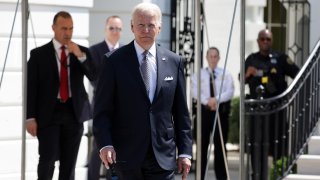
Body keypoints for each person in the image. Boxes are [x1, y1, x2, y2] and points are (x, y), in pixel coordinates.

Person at [93, 2, 192, 180]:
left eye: (151, 25)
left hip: (163, 156)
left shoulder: (174, 61)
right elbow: (102, 110)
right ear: (132, 27)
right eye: (141, 25)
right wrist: (105, 144)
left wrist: (185, 152)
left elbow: (181, 113)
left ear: (159, 28)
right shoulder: (113, 61)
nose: (146, 30)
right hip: (126, 156)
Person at [26, 11, 96, 180]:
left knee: (69, 164)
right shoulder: (38, 55)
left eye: (71, 28)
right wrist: (30, 117)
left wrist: (79, 56)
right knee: (48, 160)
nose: (68, 33)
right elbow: (31, 88)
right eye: (64, 28)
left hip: (74, 113)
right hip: (49, 114)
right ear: (54, 28)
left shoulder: (82, 52)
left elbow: (95, 77)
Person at [244, 29, 300, 180]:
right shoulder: (251, 59)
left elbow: (298, 74)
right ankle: (257, 176)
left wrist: (289, 95)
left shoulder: (280, 58)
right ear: (258, 41)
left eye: (268, 39)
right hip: (258, 112)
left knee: (279, 145)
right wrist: (247, 74)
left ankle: (279, 175)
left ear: (272, 41)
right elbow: (242, 80)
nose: (265, 42)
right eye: (262, 39)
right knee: (257, 146)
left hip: (277, 111)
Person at [88, 15, 123, 180]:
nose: (115, 31)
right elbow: (94, 78)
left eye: (118, 28)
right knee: (99, 146)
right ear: (105, 29)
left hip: (121, 107)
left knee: (117, 146)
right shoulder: (95, 51)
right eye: (112, 28)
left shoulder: (125, 51)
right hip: (101, 106)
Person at [191, 47, 234, 180]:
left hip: (220, 114)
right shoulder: (199, 74)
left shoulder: (225, 73)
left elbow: (230, 91)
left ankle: (221, 177)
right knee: (202, 146)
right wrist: (207, 101)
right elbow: (194, 91)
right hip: (204, 113)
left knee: (220, 146)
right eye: (211, 56)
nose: (213, 59)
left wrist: (216, 100)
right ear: (206, 57)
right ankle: (200, 176)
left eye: (216, 56)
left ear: (219, 58)